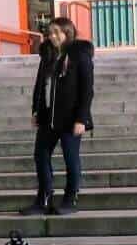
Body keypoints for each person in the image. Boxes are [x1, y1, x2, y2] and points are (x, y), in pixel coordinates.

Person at [22, 17, 94, 216]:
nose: (53, 36)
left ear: (67, 32)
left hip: (70, 119)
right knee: (40, 155)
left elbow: (87, 89)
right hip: (47, 117)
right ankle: (43, 197)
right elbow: (40, 84)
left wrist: (82, 118)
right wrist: (36, 109)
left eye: (57, 32)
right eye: (50, 32)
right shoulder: (48, 55)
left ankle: (70, 198)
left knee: (71, 158)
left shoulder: (80, 54)